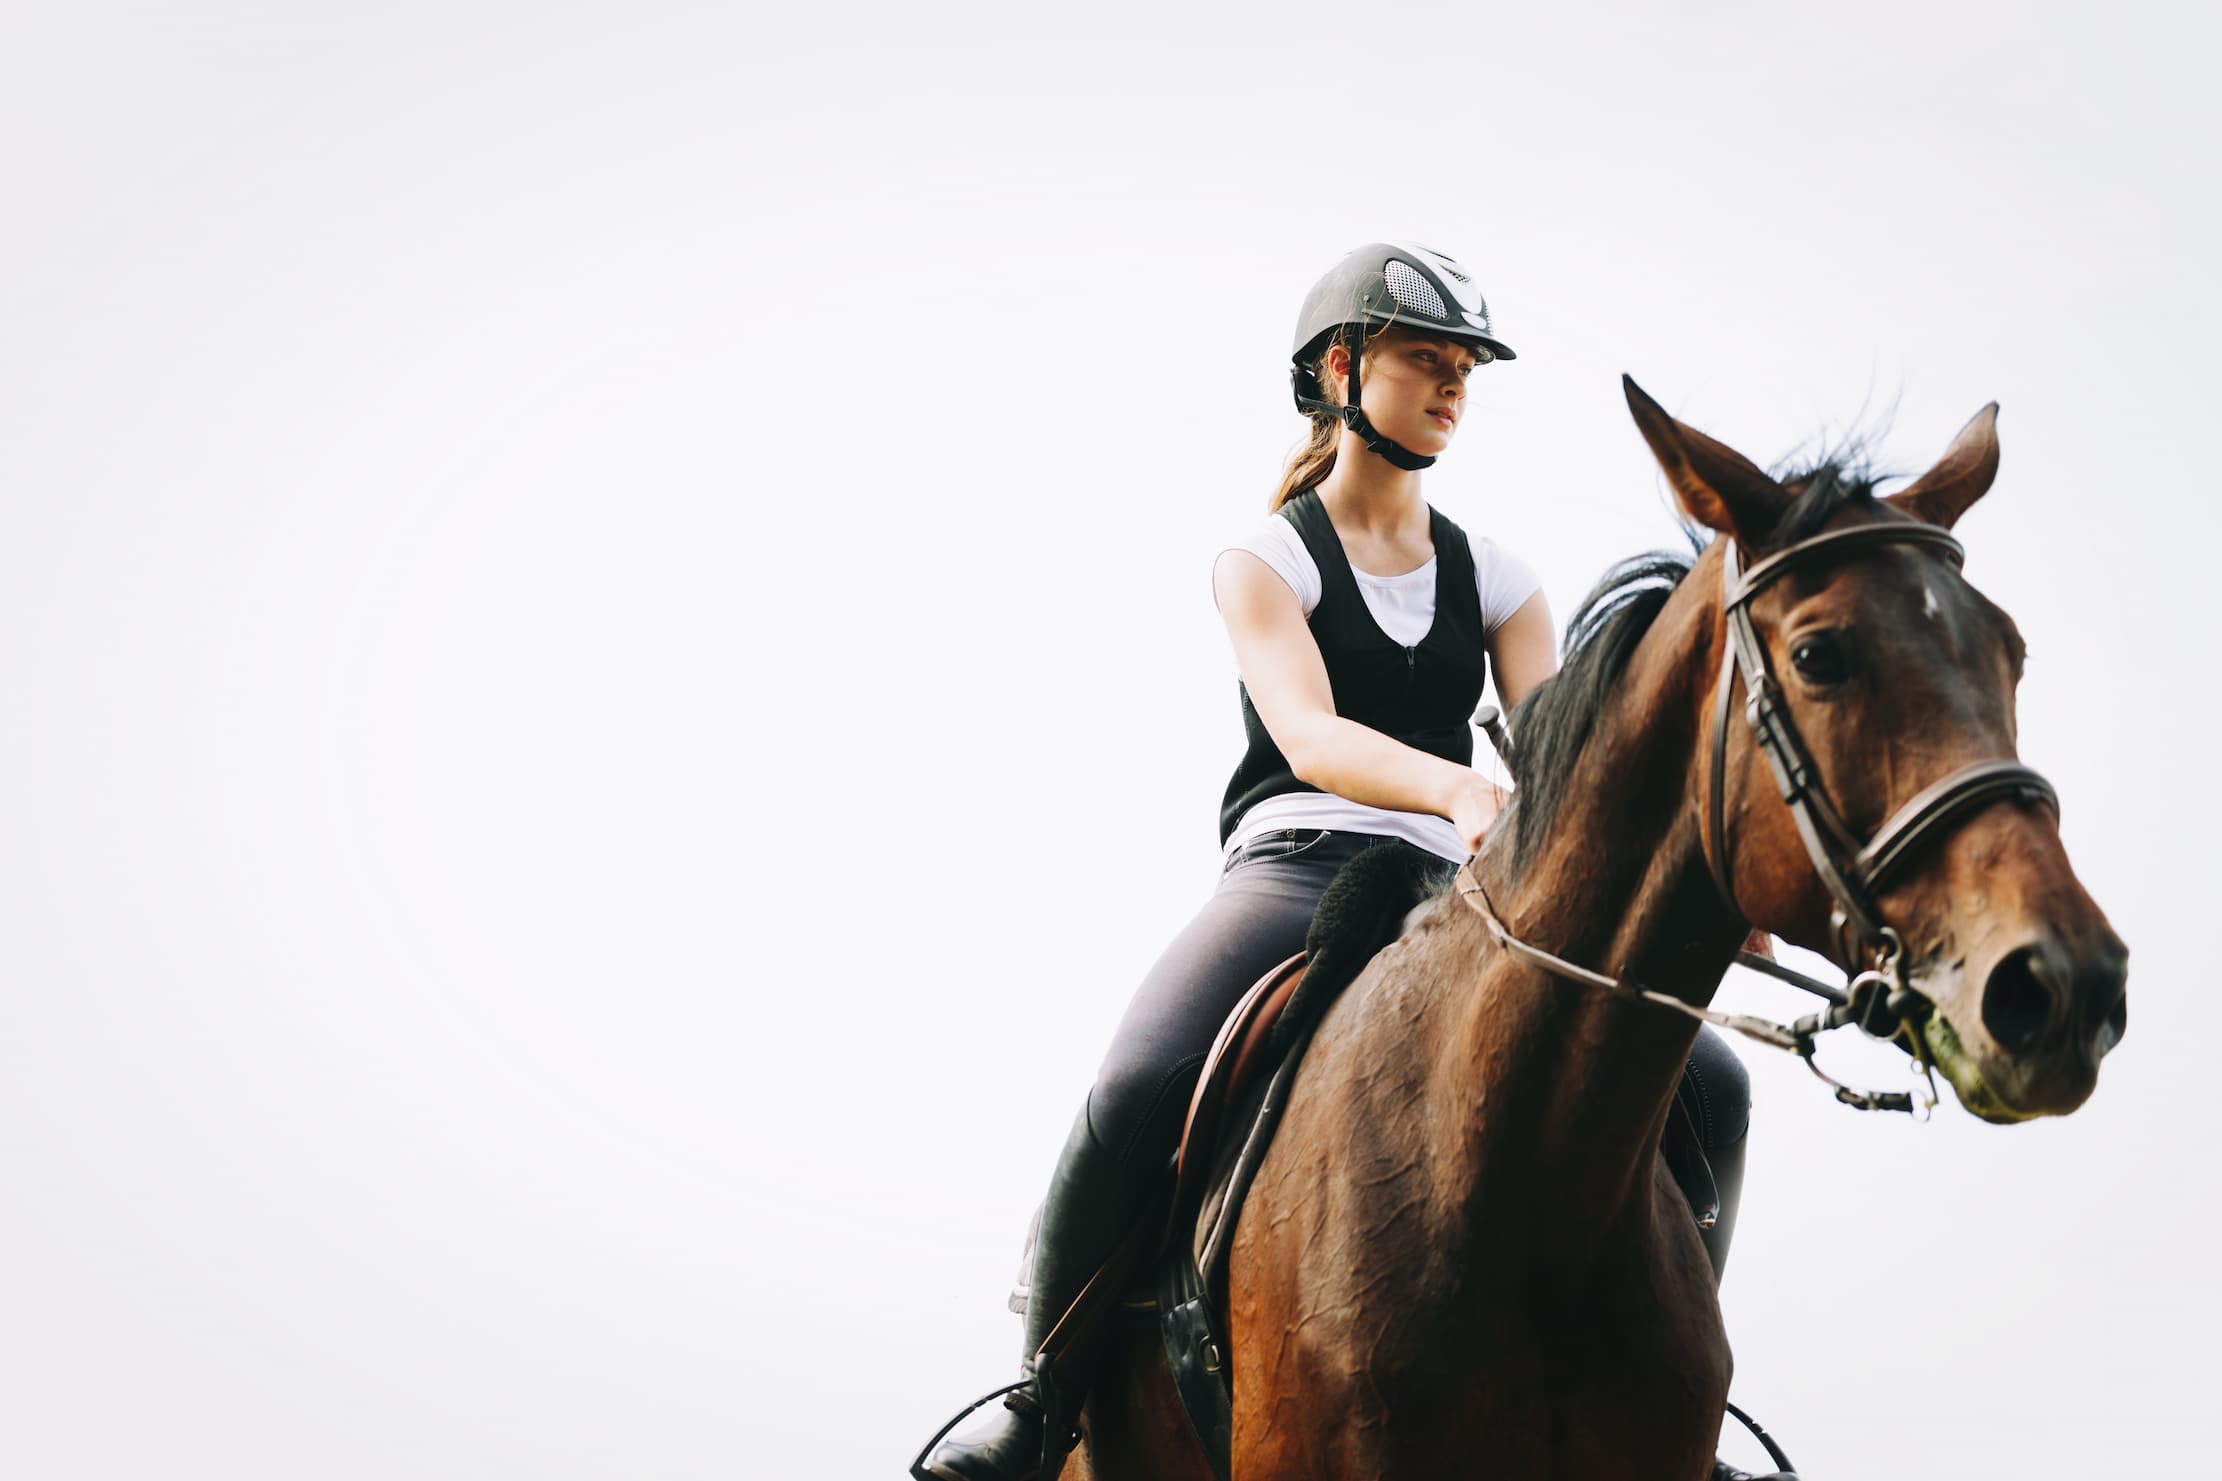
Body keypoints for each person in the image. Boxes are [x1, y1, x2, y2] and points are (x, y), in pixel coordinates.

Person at [919, 243, 1758, 1481]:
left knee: (1715, 1081)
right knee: (1139, 1076)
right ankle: (1043, 1398)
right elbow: (1306, 736)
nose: (1452, 384)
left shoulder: (1501, 579)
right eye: (1426, 359)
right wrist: (1458, 786)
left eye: (1464, 366)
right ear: (1337, 366)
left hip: (1463, 892)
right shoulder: (1267, 557)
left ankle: (1663, 1382)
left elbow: (1563, 768)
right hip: (1296, 869)